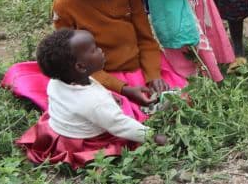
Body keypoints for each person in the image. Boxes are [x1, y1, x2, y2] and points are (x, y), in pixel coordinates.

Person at [0, 0, 187, 121]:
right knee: (115, 116)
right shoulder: (65, 2)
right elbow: (72, 61)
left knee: (180, 99)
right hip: (97, 75)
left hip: (138, 64)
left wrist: (153, 75)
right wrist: (123, 89)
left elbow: (145, 37)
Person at [15, 30, 168, 167]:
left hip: (61, 131)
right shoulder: (94, 102)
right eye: (94, 50)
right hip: (85, 142)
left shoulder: (57, 81)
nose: (100, 50)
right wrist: (153, 137)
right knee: (126, 139)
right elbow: (121, 125)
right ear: (80, 67)